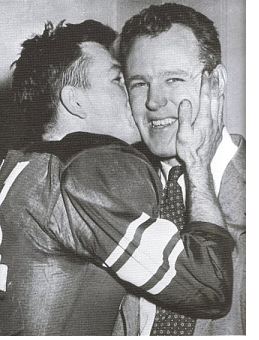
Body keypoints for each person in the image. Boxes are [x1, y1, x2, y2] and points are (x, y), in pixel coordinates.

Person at [0, 19, 234, 336]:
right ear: (75, 101)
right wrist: (196, 160)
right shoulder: (90, 167)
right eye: (117, 80)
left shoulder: (19, 162)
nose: (137, 96)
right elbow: (208, 285)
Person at [119, 2, 246, 336]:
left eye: (173, 79)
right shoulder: (115, 189)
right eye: (139, 83)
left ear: (215, 82)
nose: (154, 101)